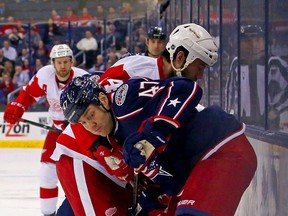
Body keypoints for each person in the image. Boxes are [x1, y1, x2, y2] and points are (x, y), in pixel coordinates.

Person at [53, 23, 218, 215]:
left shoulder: (171, 89)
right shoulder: (134, 68)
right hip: (84, 155)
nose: (200, 74)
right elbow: (91, 107)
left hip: (118, 166)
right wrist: (102, 150)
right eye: (199, 66)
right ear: (181, 57)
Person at [60, 72, 257, 216]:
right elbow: (172, 182)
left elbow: (186, 88)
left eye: (90, 115)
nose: (90, 125)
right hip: (196, 169)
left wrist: (156, 131)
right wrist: (151, 191)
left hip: (221, 148)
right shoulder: (114, 142)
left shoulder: (124, 99)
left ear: (102, 99)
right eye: (83, 123)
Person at [3, 44, 88, 216]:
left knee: (80, 176)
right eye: (59, 62)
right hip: (56, 130)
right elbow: (28, 94)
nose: (62, 66)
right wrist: (17, 106)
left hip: (81, 132)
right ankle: (48, 214)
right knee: (46, 173)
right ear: (53, 63)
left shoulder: (84, 78)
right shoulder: (45, 75)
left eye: (66, 62)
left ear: (72, 62)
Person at [225, 24, 288, 131]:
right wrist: (228, 114)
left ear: (264, 42)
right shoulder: (236, 63)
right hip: (243, 123)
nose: (253, 44)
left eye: (257, 39)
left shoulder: (274, 63)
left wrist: (276, 109)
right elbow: (230, 90)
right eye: (247, 40)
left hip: (269, 124)